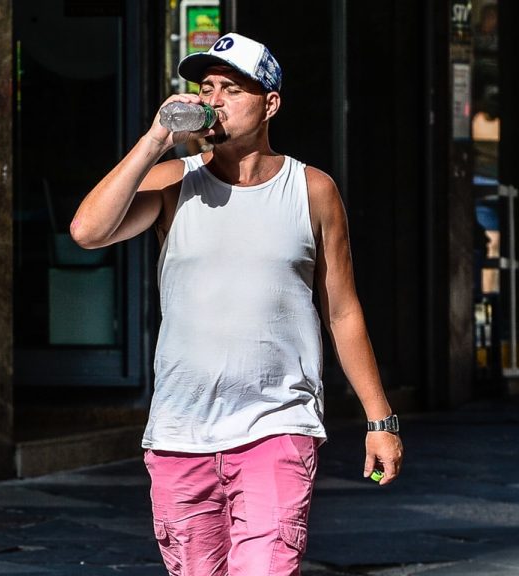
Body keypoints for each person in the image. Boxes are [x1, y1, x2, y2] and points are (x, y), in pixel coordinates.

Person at [70, 33, 403, 575]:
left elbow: (342, 310)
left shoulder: (311, 189)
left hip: (278, 424)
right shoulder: (175, 183)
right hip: (181, 431)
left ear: (270, 102)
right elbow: (87, 230)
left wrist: (379, 419)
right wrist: (157, 138)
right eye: (206, 87)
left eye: (232, 88)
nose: (214, 99)